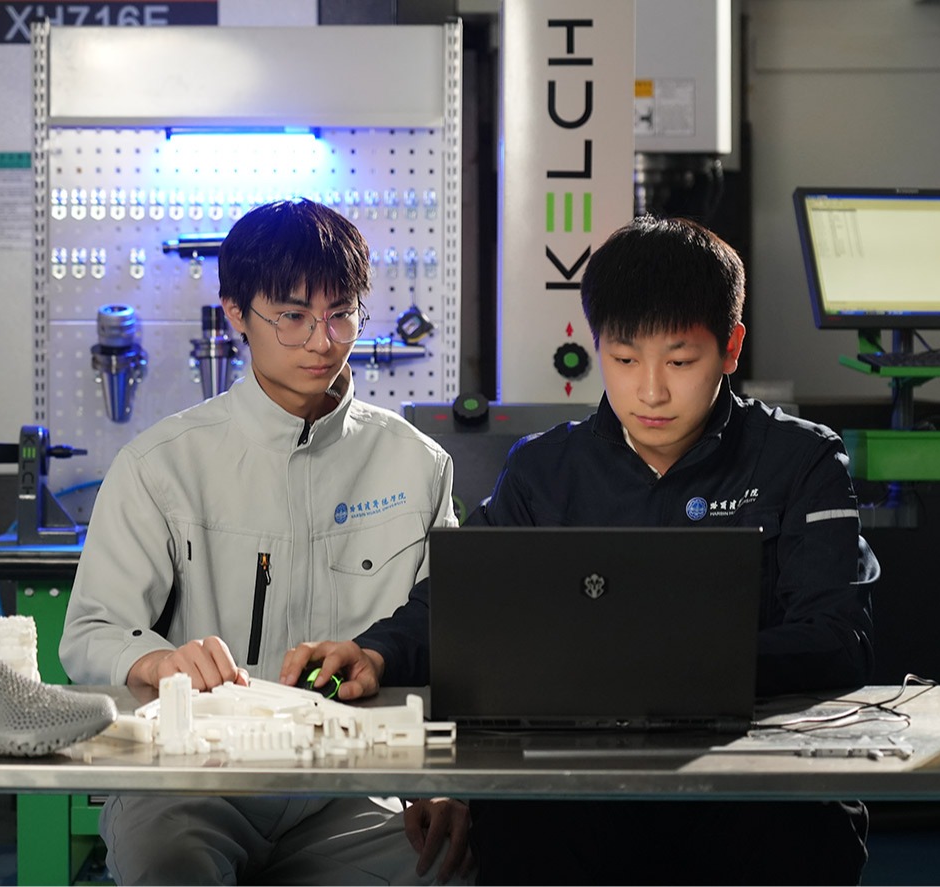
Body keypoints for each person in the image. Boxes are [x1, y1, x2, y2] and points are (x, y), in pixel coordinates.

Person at [60, 199, 473, 886]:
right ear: (236, 313)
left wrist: (445, 781)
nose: (322, 341)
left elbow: (451, 635)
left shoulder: (416, 464)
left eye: (341, 314)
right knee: (169, 863)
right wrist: (158, 661)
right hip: (192, 781)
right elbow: (89, 632)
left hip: (358, 785)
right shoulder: (161, 465)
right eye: (293, 316)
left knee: (449, 865)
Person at [462, 215, 877, 885]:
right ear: (597, 345)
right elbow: (461, 600)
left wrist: (659, 670)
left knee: (801, 834)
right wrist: (375, 652)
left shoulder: (801, 459)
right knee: (518, 826)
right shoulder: (543, 470)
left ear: (731, 346)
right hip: (582, 781)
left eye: (680, 362)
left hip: (753, 772)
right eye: (625, 360)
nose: (651, 391)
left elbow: (838, 637)